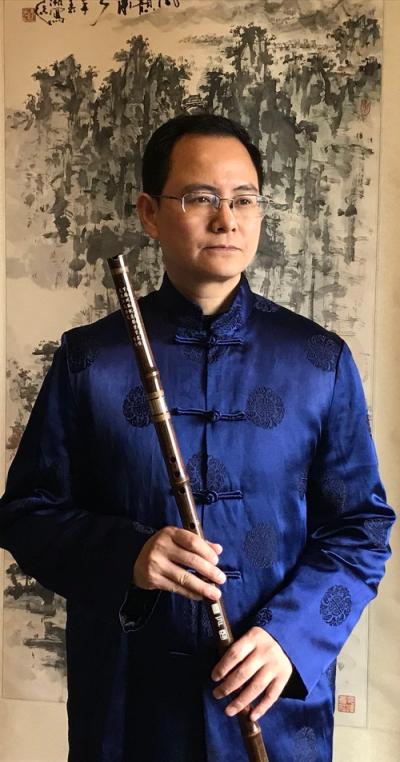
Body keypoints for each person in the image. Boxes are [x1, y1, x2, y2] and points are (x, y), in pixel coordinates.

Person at [0, 114, 395, 762]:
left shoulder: (319, 361)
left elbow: (361, 528)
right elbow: (26, 512)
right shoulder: (88, 360)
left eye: (244, 199)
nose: (226, 220)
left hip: (275, 715)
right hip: (127, 715)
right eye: (201, 197)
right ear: (150, 213)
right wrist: (130, 555)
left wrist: (290, 638)